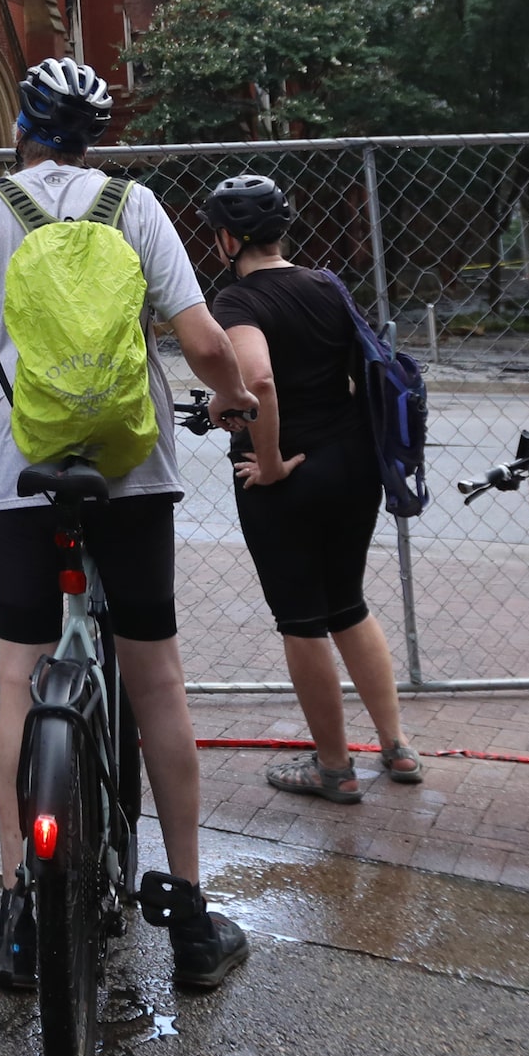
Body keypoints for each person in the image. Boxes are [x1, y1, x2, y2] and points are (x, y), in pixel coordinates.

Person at [0, 58, 257, 993]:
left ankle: (19, 914)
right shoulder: (135, 207)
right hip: (133, 472)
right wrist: (233, 403)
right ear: (96, 136)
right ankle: (189, 917)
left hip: (21, 472)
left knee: (19, 679)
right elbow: (202, 343)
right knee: (155, 677)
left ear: (22, 126)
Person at [203, 172, 420, 802]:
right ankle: (397, 747)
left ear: (228, 239)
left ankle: (333, 767)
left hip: (288, 476)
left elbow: (260, 382)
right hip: (353, 463)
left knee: (302, 621)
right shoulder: (327, 284)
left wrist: (268, 462)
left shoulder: (237, 302)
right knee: (348, 602)